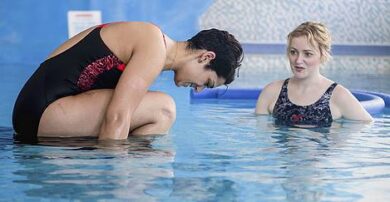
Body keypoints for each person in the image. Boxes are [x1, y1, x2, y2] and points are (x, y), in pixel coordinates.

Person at [12, 21, 243, 142]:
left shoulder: (152, 41)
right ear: (206, 57)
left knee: (155, 155)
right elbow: (117, 116)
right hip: (40, 114)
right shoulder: (153, 44)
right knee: (164, 109)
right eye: (208, 82)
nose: (200, 89)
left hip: (36, 113)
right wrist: (115, 180)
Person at [255, 21, 372, 127]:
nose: (298, 60)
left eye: (307, 54)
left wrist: (337, 139)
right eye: (293, 52)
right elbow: (261, 137)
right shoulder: (271, 92)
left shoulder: (338, 95)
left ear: (323, 55)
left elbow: (367, 126)